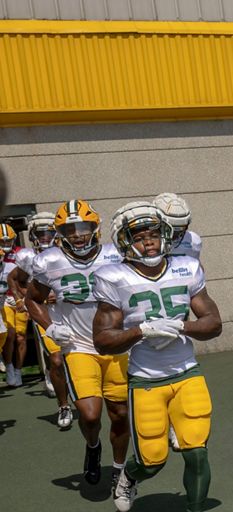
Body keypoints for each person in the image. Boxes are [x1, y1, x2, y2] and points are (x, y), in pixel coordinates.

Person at [91, 202, 223, 512]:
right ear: (124, 242)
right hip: (145, 378)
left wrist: (182, 325)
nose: (149, 243)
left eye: (154, 235)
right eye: (140, 236)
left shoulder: (186, 267)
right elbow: (103, 341)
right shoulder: (113, 276)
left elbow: (214, 323)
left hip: (186, 372)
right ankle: (129, 476)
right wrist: (141, 331)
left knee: (197, 450)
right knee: (152, 460)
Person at [26, 199, 130, 486]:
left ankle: (119, 467)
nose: (77, 234)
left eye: (83, 227)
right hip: (78, 346)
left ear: (95, 228)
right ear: (60, 233)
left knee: (120, 413)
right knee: (90, 414)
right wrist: (50, 326)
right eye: (70, 229)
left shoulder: (116, 255)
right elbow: (31, 299)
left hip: (116, 344)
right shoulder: (50, 261)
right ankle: (93, 446)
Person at [8, 212, 73, 423]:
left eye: (49, 233)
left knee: (72, 359)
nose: (45, 238)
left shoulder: (67, 253)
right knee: (56, 360)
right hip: (46, 314)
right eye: (40, 233)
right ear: (33, 234)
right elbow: (15, 278)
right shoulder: (29, 258)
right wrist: (23, 298)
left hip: (72, 313)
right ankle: (64, 406)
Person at [1, 223, 25, 387]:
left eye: (9, 241)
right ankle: (9, 367)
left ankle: (18, 370)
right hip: (4, 299)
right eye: (2, 242)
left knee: (21, 336)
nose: (6, 245)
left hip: (19, 298)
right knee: (9, 335)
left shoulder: (21, 255)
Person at [153, 193, 202, 261]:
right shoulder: (145, 241)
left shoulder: (193, 241)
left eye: (180, 231)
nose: (175, 236)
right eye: (171, 230)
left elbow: (195, 267)